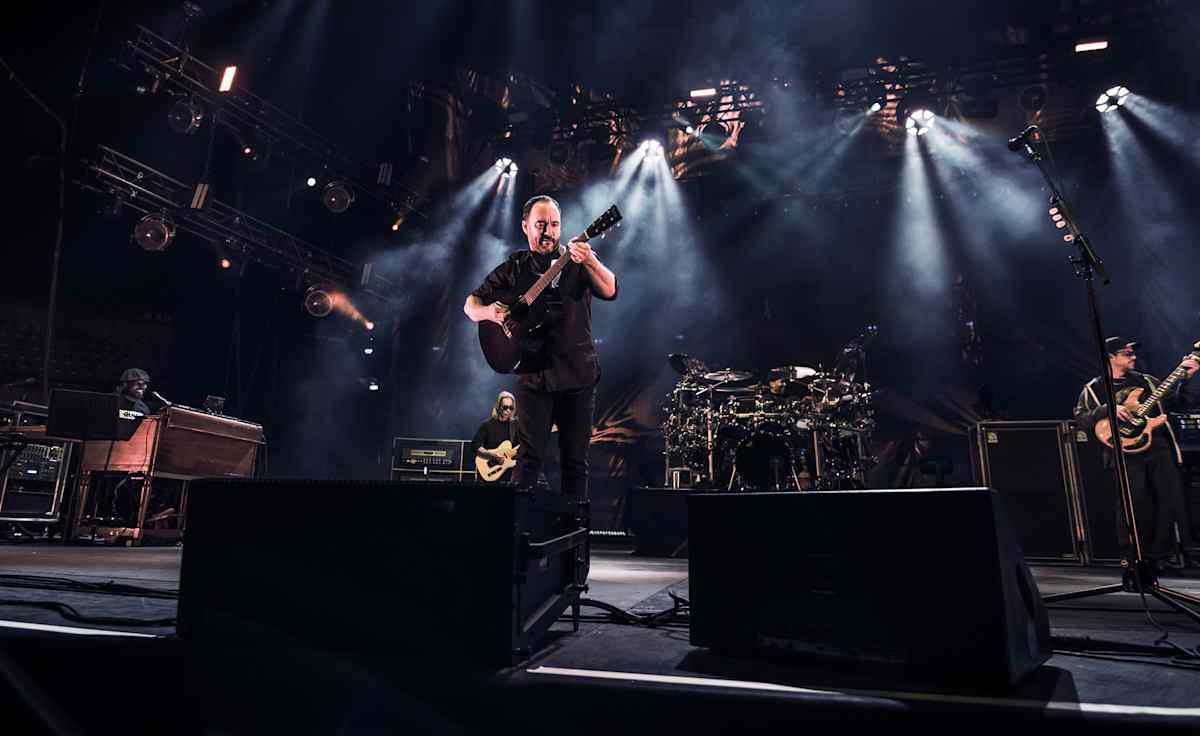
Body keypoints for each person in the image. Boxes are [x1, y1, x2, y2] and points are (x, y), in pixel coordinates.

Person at [464, 194, 617, 496]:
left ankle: (574, 524)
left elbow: (611, 289)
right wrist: (490, 313)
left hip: (577, 375)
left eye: (554, 224)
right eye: (540, 224)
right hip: (533, 377)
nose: (548, 231)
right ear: (525, 226)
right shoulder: (514, 266)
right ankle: (519, 522)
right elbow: (470, 304)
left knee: (575, 463)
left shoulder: (578, 260)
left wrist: (590, 259)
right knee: (527, 460)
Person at [1074, 336, 1199, 571]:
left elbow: (1179, 403)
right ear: (1110, 357)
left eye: (1133, 353)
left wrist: (1185, 380)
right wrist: (1108, 409)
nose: (1133, 357)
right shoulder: (1094, 388)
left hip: (1158, 446)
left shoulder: (1147, 381)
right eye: (1127, 353)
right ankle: (1132, 557)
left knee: (1169, 499)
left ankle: (1161, 555)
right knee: (1133, 503)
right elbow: (1081, 419)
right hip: (1124, 450)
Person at [472, 391, 518, 483]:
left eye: (511, 408)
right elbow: (475, 445)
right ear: (498, 406)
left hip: (509, 474)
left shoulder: (515, 426)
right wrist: (492, 456)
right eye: (505, 407)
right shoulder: (487, 425)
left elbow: (520, 447)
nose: (508, 410)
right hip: (490, 470)